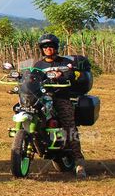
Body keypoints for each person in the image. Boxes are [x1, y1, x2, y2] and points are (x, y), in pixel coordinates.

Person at [33, 33, 86, 178]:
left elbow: (72, 75)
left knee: (69, 126)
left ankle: (79, 162)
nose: (48, 49)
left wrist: (61, 76)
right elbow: (31, 78)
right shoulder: (38, 65)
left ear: (56, 48)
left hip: (61, 97)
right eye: (45, 46)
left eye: (51, 46)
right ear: (41, 49)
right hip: (43, 97)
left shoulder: (65, 62)